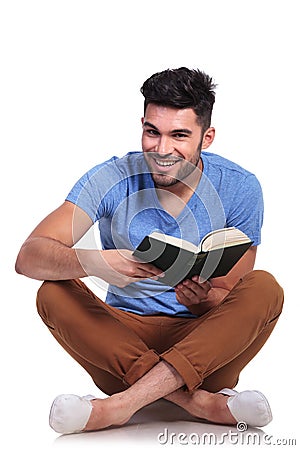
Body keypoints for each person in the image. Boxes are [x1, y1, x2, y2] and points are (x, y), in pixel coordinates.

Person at [15, 67, 284, 434]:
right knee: (53, 290)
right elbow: (29, 256)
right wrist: (98, 261)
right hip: (121, 348)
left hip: (205, 350)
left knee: (265, 287)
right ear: (141, 125)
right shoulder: (111, 177)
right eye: (152, 132)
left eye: (179, 135)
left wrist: (199, 301)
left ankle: (120, 407)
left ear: (207, 137)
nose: (161, 150)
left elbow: (230, 299)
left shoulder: (240, 187)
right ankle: (201, 403)